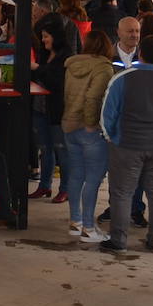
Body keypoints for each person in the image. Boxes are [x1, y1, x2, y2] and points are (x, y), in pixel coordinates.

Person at [99, 35, 153, 253]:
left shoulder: (123, 79)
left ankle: (118, 241)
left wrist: (112, 139)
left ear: (140, 54)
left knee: (122, 193)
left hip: (127, 144)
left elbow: (107, 114)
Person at [62, 31, 116, 242]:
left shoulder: (72, 65)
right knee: (93, 179)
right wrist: (92, 124)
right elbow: (93, 98)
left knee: (76, 175)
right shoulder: (103, 68)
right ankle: (88, 228)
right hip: (89, 129)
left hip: (69, 124)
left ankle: (75, 222)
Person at [29, 17, 72, 204]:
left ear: (56, 37)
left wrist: (37, 69)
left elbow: (56, 81)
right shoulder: (44, 53)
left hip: (57, 109)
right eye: (42, 36)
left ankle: (66, 189)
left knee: (61, 151)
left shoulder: (66, 56)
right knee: (45, 149)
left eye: (46, 36)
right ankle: (44, 186)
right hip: (40, 107)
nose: (44, 40)